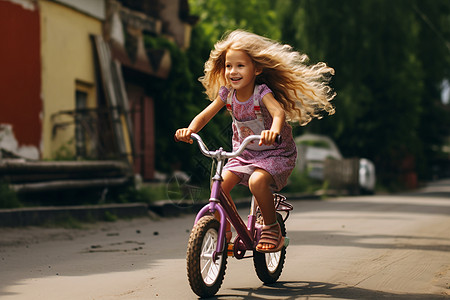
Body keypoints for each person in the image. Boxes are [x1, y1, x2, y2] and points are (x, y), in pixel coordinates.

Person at [175, 30, 335, 253]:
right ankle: (225, 230)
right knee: (219, 185)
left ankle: (271, 228)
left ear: (256, 69)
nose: (233, 71)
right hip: (243, 154)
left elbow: (278, 113)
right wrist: (189, 130)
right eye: (229, 66)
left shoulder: (262, 93)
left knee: (257, 183)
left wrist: (274, 131)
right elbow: (204, 115)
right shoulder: (227, 94)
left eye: (240, 66)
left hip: (275, 154)